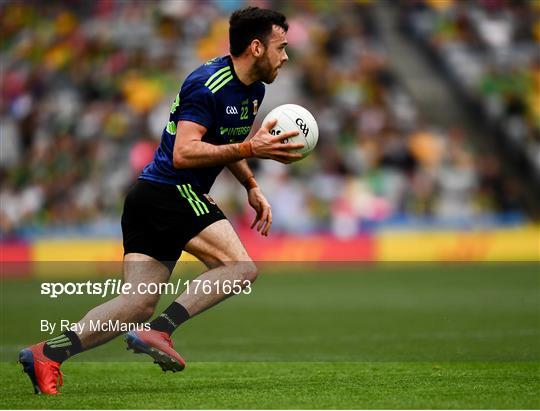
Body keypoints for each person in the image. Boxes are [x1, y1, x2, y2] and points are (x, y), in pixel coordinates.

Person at [19, 6, 303, 395]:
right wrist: (252, 147)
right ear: (256, 47)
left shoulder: (254, 89)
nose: (286, 57)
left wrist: (251, 184)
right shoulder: (208, 84)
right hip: (171, 190)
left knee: (134, 304)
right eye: (281, 47)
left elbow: (222, 140)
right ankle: (159, 332)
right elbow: (184, 153)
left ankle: (47, 354)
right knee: (240, 267)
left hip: (151, 197)